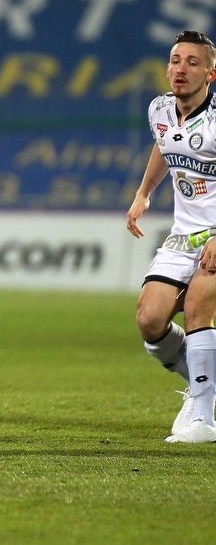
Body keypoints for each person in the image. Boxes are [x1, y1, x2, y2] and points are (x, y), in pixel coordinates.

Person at [126, 30, 216, 444]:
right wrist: (144, 193)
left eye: (192, 62)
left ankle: (203, 417)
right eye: (176, 60)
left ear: (210, 73)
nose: (181, 69)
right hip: (183, 235)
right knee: (150, 320)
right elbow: (164, 146)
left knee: (198, 309)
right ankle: (204, 384)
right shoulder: (160, 108)